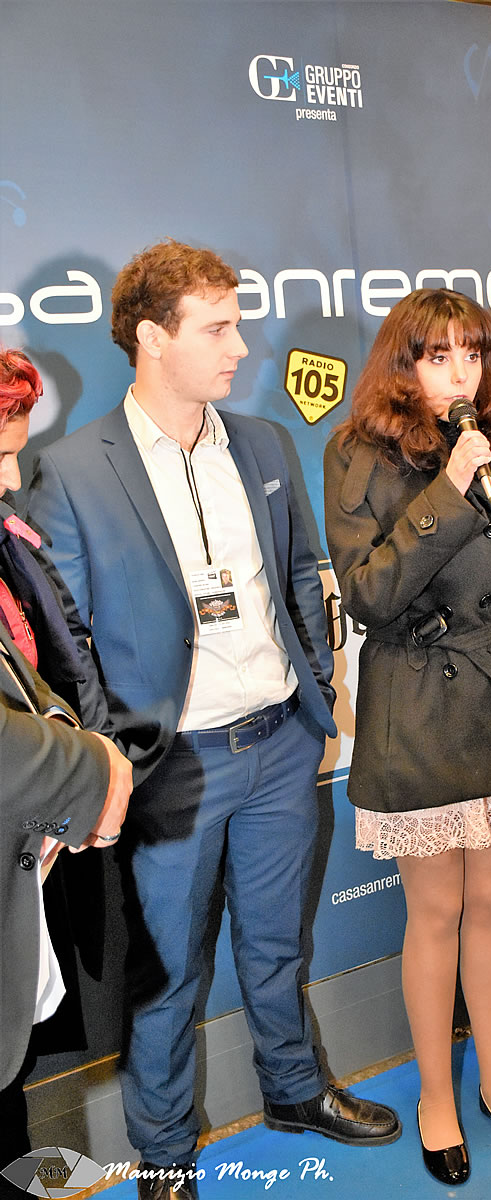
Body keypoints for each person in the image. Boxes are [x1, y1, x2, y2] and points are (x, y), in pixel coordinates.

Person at [26, 241, 399, 1200]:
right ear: (153, 339)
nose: (241, 346)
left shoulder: (265, 444)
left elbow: (304, 575)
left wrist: (314, 687)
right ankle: (163, 1153)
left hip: (281, 744)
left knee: (277, 945)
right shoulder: (73, 471)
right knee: (167, 978)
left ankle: (293, 1090)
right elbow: (66, 642)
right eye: (219, 328)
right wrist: (114, 756)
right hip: (170, 767)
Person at [324, 289, 491, 1186]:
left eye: (472, 354)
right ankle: (439, 1097)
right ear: (403, 363)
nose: (462, 374)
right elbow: (368, 596)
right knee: (435, 914)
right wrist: (448, 490)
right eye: (440, 356)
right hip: (417, 712)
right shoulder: (358, 452)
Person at [0, 348, 132, 1187]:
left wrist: (70, 732)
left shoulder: (10, 538)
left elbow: (41, 668)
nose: (13, 475)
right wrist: (91, 773)